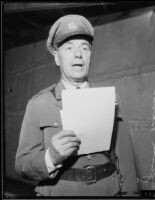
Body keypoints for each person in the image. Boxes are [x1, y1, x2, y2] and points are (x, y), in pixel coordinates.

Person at [15, 14, 139, 196]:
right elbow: (21, 165)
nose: (78, 54)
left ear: (90, 55)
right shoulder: (38, 104)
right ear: (57, 57)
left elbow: (126, 160)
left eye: (85, 48)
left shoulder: (110, 98)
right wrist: (51, 157)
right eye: (69, 48)